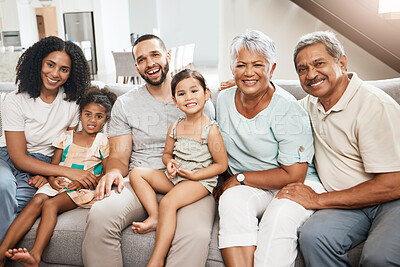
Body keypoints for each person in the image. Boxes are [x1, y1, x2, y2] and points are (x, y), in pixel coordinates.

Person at [82, 34, 216, 267]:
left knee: (195, 235)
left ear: (168, 56)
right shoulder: (126, 104)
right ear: (136, 67)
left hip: (189, 184)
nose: (150, 63)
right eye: (142, 59)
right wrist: (113, 171)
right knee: (101, 214)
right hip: (140, 182)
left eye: (155, 55)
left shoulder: (195, 98)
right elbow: (119, 156)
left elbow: (213, 153)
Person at [276, 31, 400, 266]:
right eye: (302, 69)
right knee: (314, 237)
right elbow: (274, 106)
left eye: (318, 63)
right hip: (348, 205)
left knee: (378, 257)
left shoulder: (375, 106)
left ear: (341, 62)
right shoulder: (307, 106)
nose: (311, 74)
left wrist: (319, 200)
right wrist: (248, 89)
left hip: (393, 199)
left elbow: (393, 183)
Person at [213, 30, 326, 267]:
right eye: (241, 65)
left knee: (276, 220)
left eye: (258, 64)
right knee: (231, 201)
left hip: (296, 182)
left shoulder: (287, 109)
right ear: (232, 68)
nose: (249, 72)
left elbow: (294, 175)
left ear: (272, 68)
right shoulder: (222, 100)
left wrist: (239, 178)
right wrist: (229, 179)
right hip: (255, 184)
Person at [0, 87, 116, 267]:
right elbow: (54, 166)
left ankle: (35, 256)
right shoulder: (66, 137)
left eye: (99, 116)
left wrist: (83, 182)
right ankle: (1, 252)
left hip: (82, 187)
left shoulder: (103, 141)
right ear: (80, 115)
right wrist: (52, 180)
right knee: (36, 202)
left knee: (50, 204)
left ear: (106, 120)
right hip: (58, 181)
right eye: (88, 114)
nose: (92, 120)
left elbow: (105, 173)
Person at [0, 36, 96, 243]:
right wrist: (66, 171)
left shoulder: (73, 104)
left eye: (64, 69)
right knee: (2, 186)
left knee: (21, 203)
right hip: (8, 158)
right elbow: (18, 157)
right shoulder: (15, 100)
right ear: (38, 63)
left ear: (71, 74)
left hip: (46, 163)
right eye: (50, 65)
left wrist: (48, 174)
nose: (54, 74)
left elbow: (67, 148)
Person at [130, 69, 227, 266]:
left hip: (198, 181)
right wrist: (170, 163)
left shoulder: (211, 129)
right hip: (176, 177)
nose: (188, 97)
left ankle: (157, 258)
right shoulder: (175, 126)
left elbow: (221, 165)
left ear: (206, 94)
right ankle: (155, 215)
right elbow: (167, 154)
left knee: (167, 202)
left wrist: (196, 175)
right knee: (136, 173)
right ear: (174, 100)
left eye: (194, 91)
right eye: (181, 94)